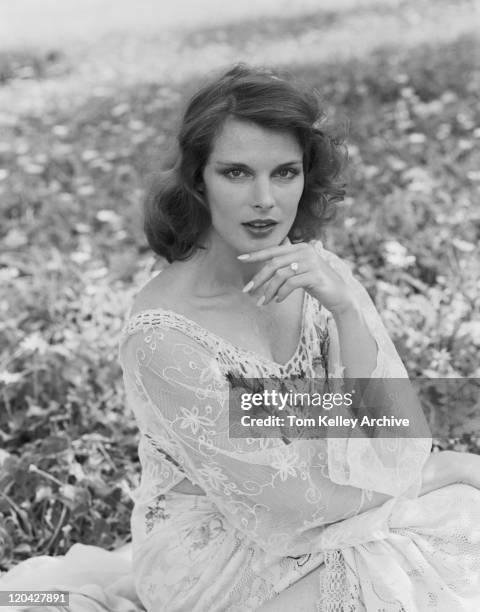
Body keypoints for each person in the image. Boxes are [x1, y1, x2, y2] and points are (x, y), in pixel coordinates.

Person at [1, 63, 479, 612]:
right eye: (235, 173)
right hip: (220, 556)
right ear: (196, 178)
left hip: (333, 505)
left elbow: (390, 428)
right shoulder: (164, 337)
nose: (265, 200)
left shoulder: (312, 278)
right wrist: (438, 470)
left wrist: (347, 307)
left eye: (284, 173)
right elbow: (292, 507)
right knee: (389, 585)